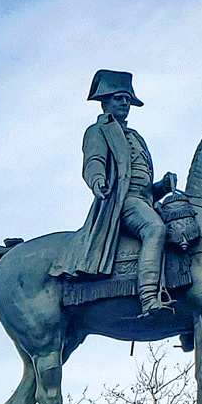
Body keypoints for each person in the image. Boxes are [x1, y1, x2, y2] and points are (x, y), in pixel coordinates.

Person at [50, 70, 176, 314]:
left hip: (144, 201)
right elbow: (94, 160)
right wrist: (97, 180)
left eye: (127, 99)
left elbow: (144, 185)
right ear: (105, 101)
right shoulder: (98, 130)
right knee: (155, 229)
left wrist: (162, 186)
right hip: (123, 201)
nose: (125, 103)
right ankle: (149, 297)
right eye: (119, 98)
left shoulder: (136, 137)